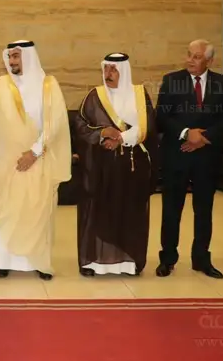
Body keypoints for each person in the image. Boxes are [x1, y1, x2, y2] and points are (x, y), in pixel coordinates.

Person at [0, 40, 71, 279]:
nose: (12, 61)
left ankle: (37, 261)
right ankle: (2, 260)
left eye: (16, 56)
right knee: (6, 211)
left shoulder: (48, 85)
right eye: (10, 57)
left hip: (38, 157)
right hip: (7, 162)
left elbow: (55, 123)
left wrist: (34, 152)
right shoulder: (1, 84)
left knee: (37, 212)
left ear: (28, 57)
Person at [72, 53, 159, 277]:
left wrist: (121, 138)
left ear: (124, 71)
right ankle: (95, 262)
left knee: (129, 212)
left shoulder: (139, 94)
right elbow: (80, 125)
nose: (108, 74)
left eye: (113, 70)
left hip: (131, 165)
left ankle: (128, 262)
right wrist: (102, 133)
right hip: (100, 167)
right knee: (99, 212)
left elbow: (147, 126)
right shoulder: (94, 95)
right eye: (106, 69)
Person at [155, 39, 223, 279]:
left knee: (204, 211)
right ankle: (167, 258)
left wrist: (204, 137)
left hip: (207, 157)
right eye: (189, 54)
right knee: (171, 210)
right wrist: (186, 133)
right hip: (176, 155)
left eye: (197, 56)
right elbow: (162, 117)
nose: (190, 60)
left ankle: (201, 259)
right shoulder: (171, 81)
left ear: (210, 60)